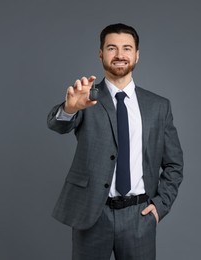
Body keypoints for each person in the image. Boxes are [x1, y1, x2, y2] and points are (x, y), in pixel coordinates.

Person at [47, 23, 183, 260]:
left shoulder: (159, 106)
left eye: (127, 48)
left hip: (139, 217)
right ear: (101, 53)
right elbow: (58, 124)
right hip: (92, 214)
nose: (120, 55)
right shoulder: (85, 98)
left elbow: (174, 164)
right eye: (112, 48)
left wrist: (159, 208)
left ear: (137, 55)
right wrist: (69, 108)